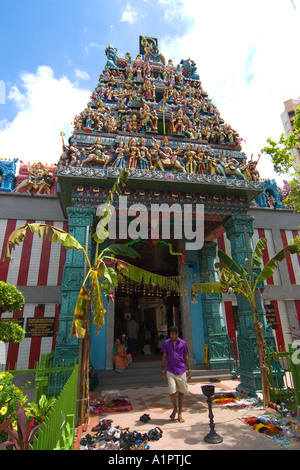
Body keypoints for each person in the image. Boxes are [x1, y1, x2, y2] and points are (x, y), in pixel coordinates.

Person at [161, 326, 192, 423]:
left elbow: (186, 356)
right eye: (171, 334)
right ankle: (175, 408)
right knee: (172, 391)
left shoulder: (183, 343)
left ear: (177, 334)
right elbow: (164, 356)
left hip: (181, 370)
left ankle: (180, 413)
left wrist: (189, 369)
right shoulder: (167, 343)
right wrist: (163, 370)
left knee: (181, 392)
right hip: (170, 370)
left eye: (174, 334)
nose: (172, 336)